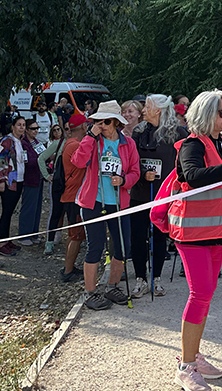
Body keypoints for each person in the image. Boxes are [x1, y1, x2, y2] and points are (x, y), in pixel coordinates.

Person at [157, 90, 222, 391]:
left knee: (205, 295)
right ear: (207, 115)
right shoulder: (193, 144)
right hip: (193, 232)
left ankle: (193, 355)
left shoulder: (221, 143)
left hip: (214, 230)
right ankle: (186, 365)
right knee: (200, 294)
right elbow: (192, 175)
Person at [72, 100, 140, 310]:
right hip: (94, 201)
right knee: (95, 246)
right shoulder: (93, 141)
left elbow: (135, 172)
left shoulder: (128, 144)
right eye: (98, 121)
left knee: (122, 246)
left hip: (118, 202)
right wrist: (89, 137)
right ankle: (91, 292)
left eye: (106, 121)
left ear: (116, 123)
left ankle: (112, 286)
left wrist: (124, 180)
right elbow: (78, 161)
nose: (101, 125)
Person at [129, 94, 185, 298]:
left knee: (159, 236)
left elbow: (184, 160)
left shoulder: (178, 133)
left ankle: (157, 277)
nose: (143, 110)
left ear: (158, 110)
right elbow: (132, 159)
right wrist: (143, 173)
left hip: (164, 194)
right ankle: (140, 278)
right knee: (138, 236)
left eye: (147, 107)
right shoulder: (139, 131)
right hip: (140, 191)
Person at [59, 115, 89, 282]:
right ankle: (68, 270)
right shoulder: (75, 145)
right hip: (74, 196)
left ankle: (69, 267)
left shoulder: (69, 143)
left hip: (71, 194)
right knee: (75, 235)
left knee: (74, 234)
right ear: (83, 127)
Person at [0, 116, 28, 256]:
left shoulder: (20, 141)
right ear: (13, 126)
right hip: (9, 181)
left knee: (10, 211)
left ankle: (6, 240)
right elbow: (0, 160)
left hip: (18, 180)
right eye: (19, 125)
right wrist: (1, 180)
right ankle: (1, 243)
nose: (21, 127)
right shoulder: (7, 141)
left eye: (23, 125)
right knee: (6, 212)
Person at [37, 123, 66, 254]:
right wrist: (47, 176)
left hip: (72, 183)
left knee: (73, 213)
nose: (58, 132)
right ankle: (49, 242)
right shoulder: (57, 143)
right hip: (58, 182)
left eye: (59, 129)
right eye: (55, 130)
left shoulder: (78, 142)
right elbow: (41, 158)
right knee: (55, 212)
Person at [16, 119, 45, 246]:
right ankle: (24, 235)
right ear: (27, 130)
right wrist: (41, 158)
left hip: (39, 178)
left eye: (37, 128)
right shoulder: (24, 143)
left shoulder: (37, 142)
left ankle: (34, 233)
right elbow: (29, 161)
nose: (36, 131)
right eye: (33, 129)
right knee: (28, 207)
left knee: (37, 208)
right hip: (30, 179)